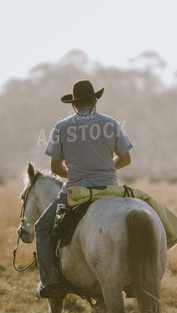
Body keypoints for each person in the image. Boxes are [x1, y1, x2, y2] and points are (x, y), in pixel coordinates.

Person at [34, 79, 132, 298]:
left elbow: (55, 167)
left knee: (41, 228)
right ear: (95, 101)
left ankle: (49, 282)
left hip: (76, 190)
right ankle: (135, 280)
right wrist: (106, 169)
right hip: (109, 189)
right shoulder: (111, 123)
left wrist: (79, 174)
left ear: (74, 105)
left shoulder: (62, 127)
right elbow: (125, 159)